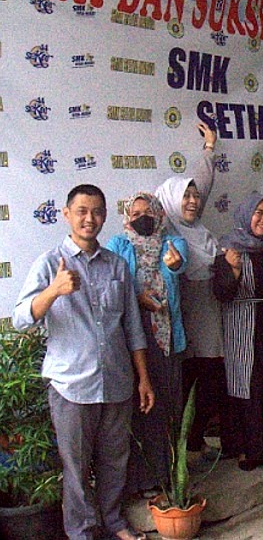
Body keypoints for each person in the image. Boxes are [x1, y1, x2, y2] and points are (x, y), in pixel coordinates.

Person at [13, 184, 153, 540]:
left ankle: (115, 521)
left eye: (96, 212)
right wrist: (54, 290)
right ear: (66, 214)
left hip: (117, 382)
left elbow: (133, 327)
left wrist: (143, 379)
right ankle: (81, 532)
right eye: (81, 211)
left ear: (105, 216)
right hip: (71, 386)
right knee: (75, 469)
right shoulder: (49, 263)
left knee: (114, 461)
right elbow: (21, 319)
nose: (89, 219)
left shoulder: (117, 265)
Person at [155, 123, 234, 467]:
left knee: (212, 380)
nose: (191, 200)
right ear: (170, 201)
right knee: (192, 384)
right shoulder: (166, 230)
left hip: (211, 316)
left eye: (194, 197)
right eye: (184, 196)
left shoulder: (198, 230)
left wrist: (209, 148)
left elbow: (203, 184)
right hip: (186, 322)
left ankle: (196, 440)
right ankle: (186, 446)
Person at [105, 192, 188, 497]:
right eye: (136, 212)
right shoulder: (117, 244)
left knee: (164, 406)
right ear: (127, 216)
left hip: (165, 336)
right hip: (129, 337)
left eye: (148, 211)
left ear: (158, 214)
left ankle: (167, 476)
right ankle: (138, 481)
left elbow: (177, 266)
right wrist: (137, 298)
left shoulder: (172, 242)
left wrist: (172, 265)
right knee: (137, 410)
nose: (142, 217)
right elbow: (113, 280)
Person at [213, 193, 263, 471]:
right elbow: (221, 293)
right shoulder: (228, 248)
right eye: (258, 213)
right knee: (247, 386)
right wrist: (233, 270)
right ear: (246, 215)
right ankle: (248, 447)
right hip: (241, 325)